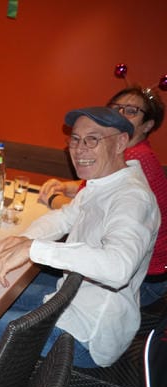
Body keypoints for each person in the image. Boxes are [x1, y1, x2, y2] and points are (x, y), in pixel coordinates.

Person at [0, 107, 160, 368]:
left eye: (92, 139)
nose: (80, 149)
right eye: (75, 139)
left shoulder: (132, 197)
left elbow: (119, 266)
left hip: (86, 336)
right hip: (68, 299)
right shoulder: (103, 182)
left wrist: (33, 249)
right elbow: (63, 218)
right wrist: (22, 240)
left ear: (120, 143)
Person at [38, 86, 167, 306]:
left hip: (144, 281)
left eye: (131, 111)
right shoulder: (126, 160)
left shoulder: (137, 168)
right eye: (116, 108)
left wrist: (50, 200)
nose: (120, 114)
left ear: (147, 125)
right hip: (98, 280)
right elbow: (88, 197)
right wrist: (67, 187)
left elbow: (117, 266)